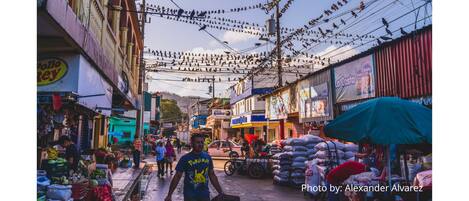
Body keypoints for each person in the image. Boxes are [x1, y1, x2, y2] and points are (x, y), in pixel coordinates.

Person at [164, 134, 224, 201]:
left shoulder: (208, 157)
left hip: (205, 196)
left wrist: (220, 192)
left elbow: (212, 175)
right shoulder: (185, 159)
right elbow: (177, 176)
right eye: (197, 142)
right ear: (192, 144)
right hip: (190, 196)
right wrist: (169, 195)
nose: (200, 144)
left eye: (202, 142)